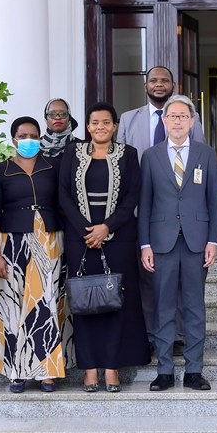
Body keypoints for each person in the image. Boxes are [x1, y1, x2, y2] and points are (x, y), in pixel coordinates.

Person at [59, 102, 150, 392]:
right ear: (87, 126)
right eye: (95, 122)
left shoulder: (129, 155)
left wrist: (106, 227)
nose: (100, 127)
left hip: (118, 239)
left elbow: (132, 197)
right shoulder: (72, 153)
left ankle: (111, 368)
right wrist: (87, 231)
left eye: (106, 122)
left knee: (114, 305)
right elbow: (63, 194)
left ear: (114, 127)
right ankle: (89, 370)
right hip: (80, 240)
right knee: (84, 304)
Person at [0, 116, 73, 393]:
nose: (29, 140)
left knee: (46, 302)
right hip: (11, 243)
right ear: (13, 140)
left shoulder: (53, 168)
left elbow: (65, 205)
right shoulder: (1, 170)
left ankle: (47, 371)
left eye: (34, 135)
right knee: (13, 306)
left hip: (51, 242)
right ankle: (16, 372)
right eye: (23, 136)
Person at [116, 65, 205, 353]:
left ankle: (178, 334)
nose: (158, 84)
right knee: (148, 278)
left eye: (164, 80)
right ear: (145, 86)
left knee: (180, 281)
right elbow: (121, 163)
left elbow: (198, 162)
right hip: (140, 210)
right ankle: (153, 334)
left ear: (173, 85)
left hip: (179, 214)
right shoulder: (129, 119)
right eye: (153, 80)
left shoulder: (191, 119)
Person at [138, 95, 217, 391]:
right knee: (163, 307)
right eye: (172, 116)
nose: (177, 121)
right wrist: (144, 244)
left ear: (192, 121)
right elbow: (144, 203)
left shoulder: (206, 154)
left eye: (182, 116)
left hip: (197, 242)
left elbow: (214, 199)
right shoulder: (150, 156)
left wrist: (214, 240)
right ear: (164, 120)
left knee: (195, 307)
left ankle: (194, 370)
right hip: (161, 243)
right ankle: (164, 371)